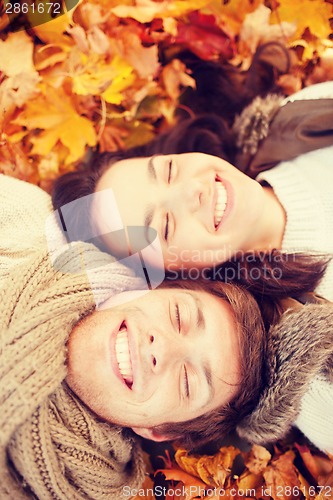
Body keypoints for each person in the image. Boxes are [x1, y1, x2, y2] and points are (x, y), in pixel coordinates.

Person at [1, 242, 266, 498]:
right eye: (178, 315)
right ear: (148, 288)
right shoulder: (23, 235)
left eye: (187, 382)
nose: (162, 349)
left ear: (158, 430)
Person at [52, 80, 333, 302]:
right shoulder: (313, 327)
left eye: (169, 171)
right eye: (165, 227)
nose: (193, 191)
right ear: (180, 273)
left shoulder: (300, 116)